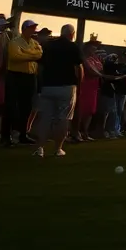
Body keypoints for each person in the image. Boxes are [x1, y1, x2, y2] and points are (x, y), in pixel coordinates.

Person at [36, 24, 83, 157]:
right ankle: (58, 148)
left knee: (45, 118)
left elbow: (40, 67)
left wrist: (41, 83)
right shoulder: (73, 47)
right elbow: (78, 68)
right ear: (71, 34)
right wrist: (79, 84)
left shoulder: (48, 46)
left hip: (48, 86)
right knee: (63, 118)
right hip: (66, 86)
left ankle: (40, 148)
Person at [3, 19, 43, 146]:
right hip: (15, 76)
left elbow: (40, 54)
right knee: (11, 106)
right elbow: (16, 56)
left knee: (27, 107)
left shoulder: (34, 43)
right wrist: (32, 55)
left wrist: (26, 54)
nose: (33, 30)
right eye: (31, 28)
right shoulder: (14, 42)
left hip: (30, 77)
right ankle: (6, 136)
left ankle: (22, 135)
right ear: (24, 29)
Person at [73, 39, 103, 142]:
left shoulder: (95, 58)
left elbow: (99, 68)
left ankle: (85, 132)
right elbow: (91, 70)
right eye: (93, 46)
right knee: (82, 109)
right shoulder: (84, 58)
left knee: (91, 110)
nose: (94, 48)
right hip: (85, 86)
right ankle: (77, 132)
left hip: (94, 87)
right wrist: (103, 75)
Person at [99, 51, 126, 138]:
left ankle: (117, 129)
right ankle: (111, 129)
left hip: (122, 91)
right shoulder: (113, 66)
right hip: (115, 90)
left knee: (119, 111)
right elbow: (115, 77)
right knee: (113, 111)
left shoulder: (125, 67)